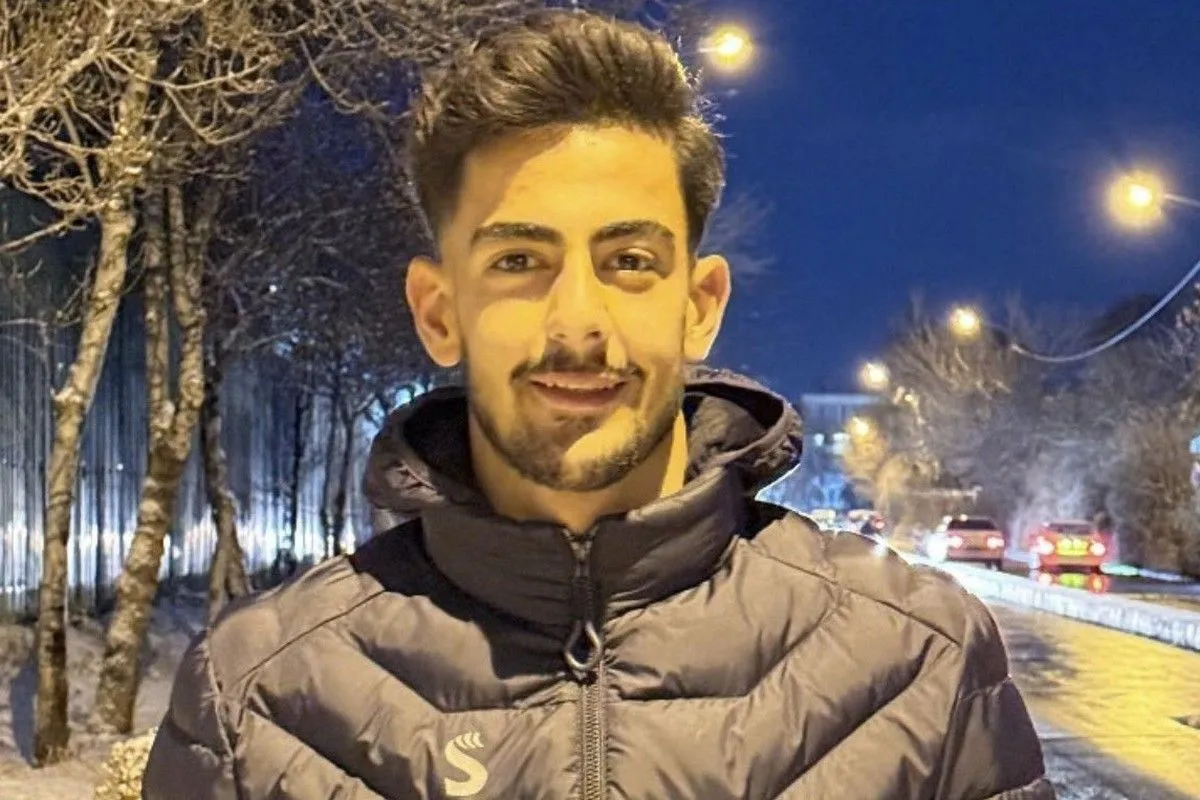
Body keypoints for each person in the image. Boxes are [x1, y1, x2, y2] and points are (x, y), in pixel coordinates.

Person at [142, 10, 1054, 799]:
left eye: (628, 262)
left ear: (699, 305)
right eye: (518, 261)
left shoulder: (919, 666)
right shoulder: (261, 699)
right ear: (438, 310)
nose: (578, 322)